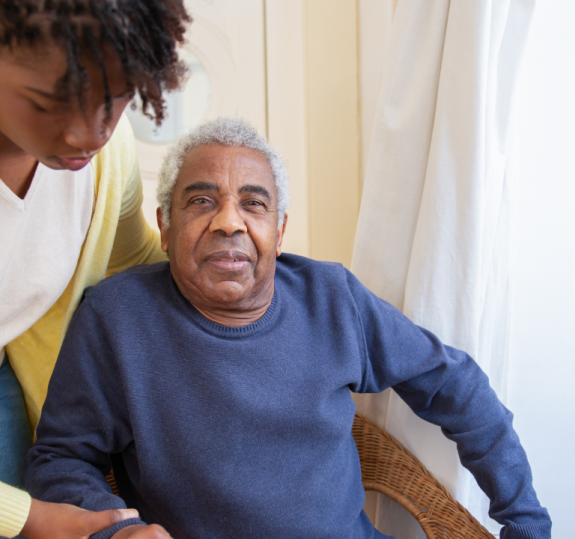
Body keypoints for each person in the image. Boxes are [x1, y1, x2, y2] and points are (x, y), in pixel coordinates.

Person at [26, 118, 551, 539]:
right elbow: (59, 460)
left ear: (279, 232)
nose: (229, 222)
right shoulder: (116, 317)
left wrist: (524, 520)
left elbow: (455, 385)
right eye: (202, 201)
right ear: (165, 227)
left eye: (253, 204)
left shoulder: (333, 297)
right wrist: (117, 531)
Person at [0, 0, 192, 537]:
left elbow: (136, 262)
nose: (88, 134)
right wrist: (30, 518)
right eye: (46, 103)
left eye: (114, 100)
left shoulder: (107, 160)